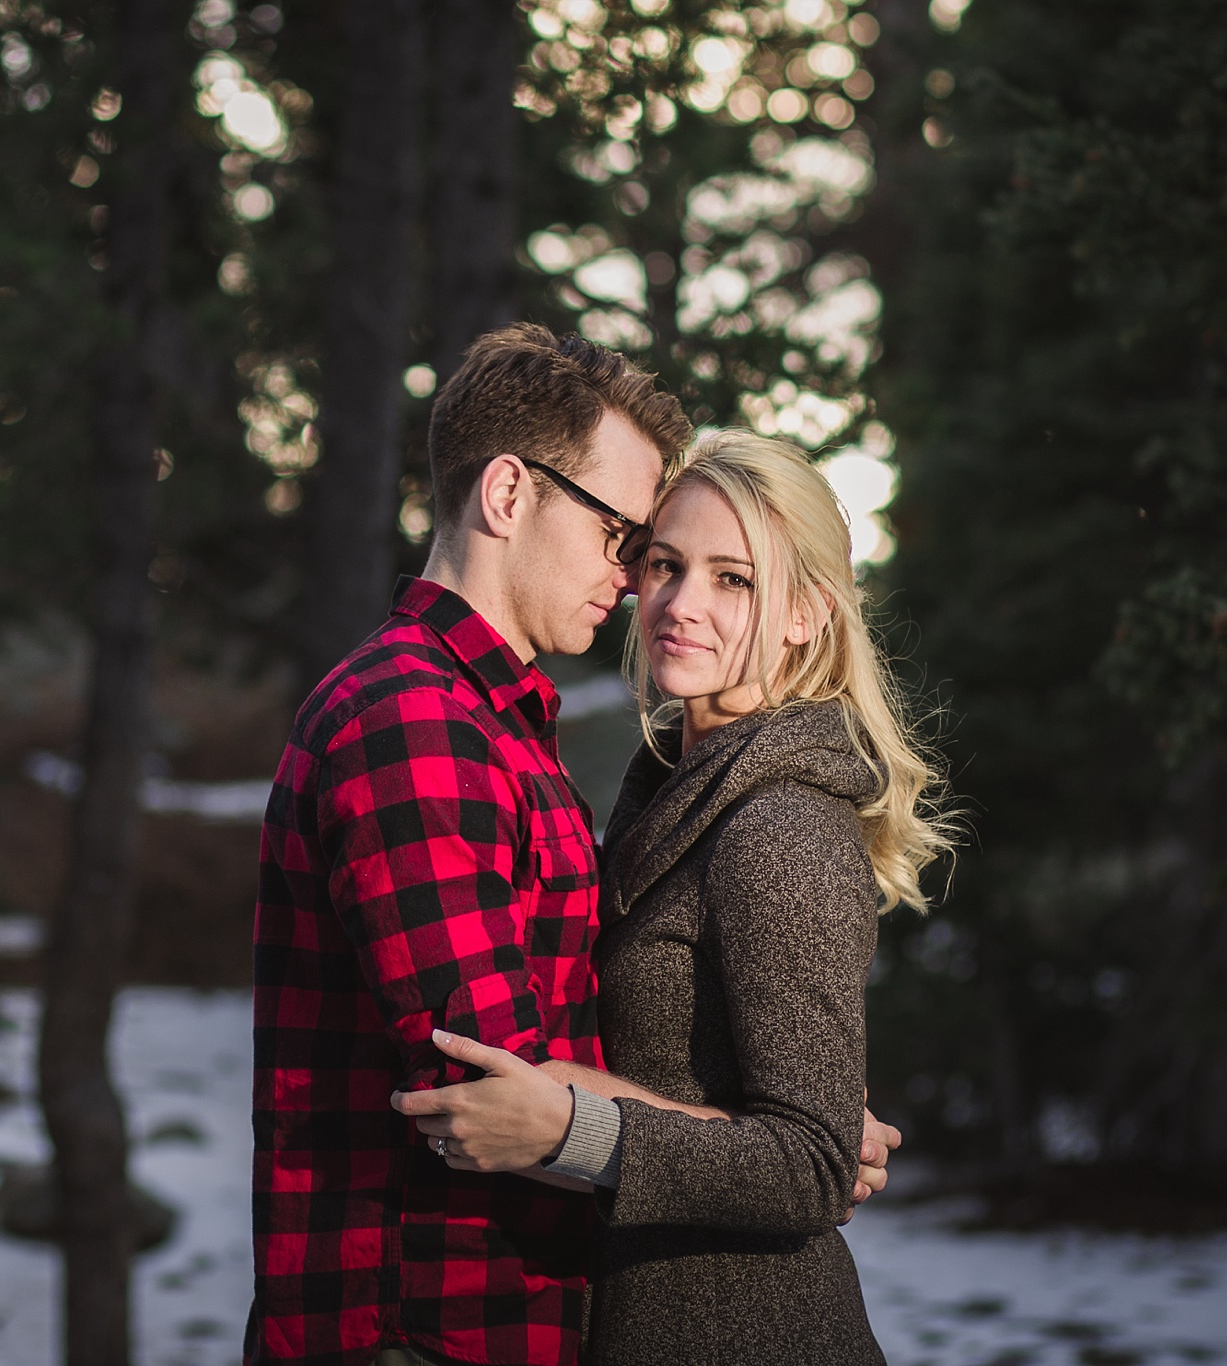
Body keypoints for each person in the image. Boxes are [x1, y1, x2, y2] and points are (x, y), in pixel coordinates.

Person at [247, 328, 898, 1366]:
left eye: (725, 577)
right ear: (508, 495)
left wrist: (785, 1138)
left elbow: (557, 1072)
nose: (643, 586)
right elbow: (496, 1078)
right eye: (630, 542)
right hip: (414, 1328)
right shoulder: (414, 722)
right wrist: (756, 1140)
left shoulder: (509, 732)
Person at [393, 430, 956, 1365]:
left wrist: (578, 1132)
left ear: (806, 614)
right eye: (665, 564)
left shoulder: (779, 824)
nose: (681, 605)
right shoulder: (676, 787)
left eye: (734, 579)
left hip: (745, 1330)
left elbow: (812, 1167)